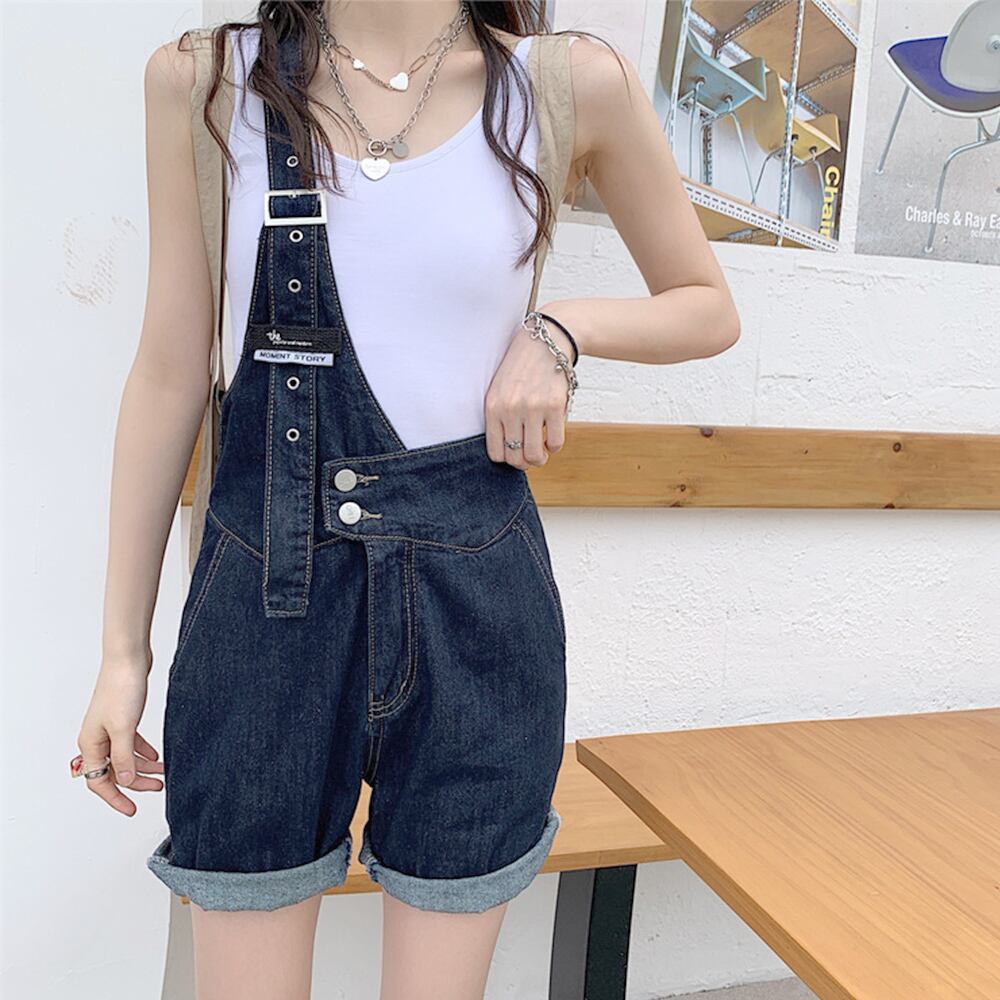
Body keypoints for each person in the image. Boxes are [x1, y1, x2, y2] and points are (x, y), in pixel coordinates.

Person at [73, 2, 740, 998]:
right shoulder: (206, 82)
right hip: (264, 607)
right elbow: (170, 372)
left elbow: (706, 305)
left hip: (476, 611)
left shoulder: (563, 86)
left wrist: (560, 330)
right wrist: (122, 655)